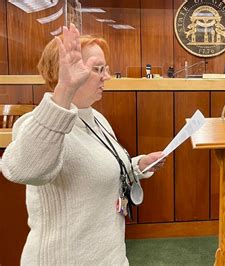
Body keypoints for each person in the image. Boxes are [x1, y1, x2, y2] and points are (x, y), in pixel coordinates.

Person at [1, 24, 166, 265]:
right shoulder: (38, 124)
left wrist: (138, 165)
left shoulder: (95, 117)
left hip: (110, 256)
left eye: (105, 68)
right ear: (65, 72)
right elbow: (22, 169)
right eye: (98, 69)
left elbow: (101, 168)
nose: (106, 77)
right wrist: (65, 90)